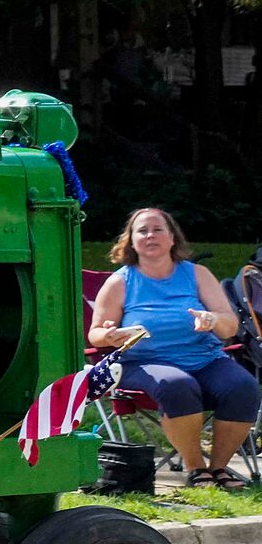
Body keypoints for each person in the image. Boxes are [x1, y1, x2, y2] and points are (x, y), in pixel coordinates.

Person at [89, 206, 258, 487]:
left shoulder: (197, 274)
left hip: (203, 359)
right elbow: (96, 334)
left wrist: (212, 318)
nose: (150, 235)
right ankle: (195, 467)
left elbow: (230, 326)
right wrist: (110, 336)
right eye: (142, 231)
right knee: (176, 384)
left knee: (243, 386)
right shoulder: (119, 281)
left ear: (172, 238)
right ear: (131, 241)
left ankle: (219, 468)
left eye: (158, 230)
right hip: (141, 363)